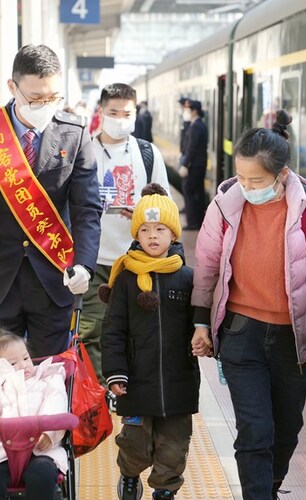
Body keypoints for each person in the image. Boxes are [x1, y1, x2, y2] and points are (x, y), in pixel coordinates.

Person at [190, 109, 306, 500]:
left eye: (256, 180)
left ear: (281, 175)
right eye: (241, 176)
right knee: (255, 430)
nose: (246, 186)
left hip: (292, 340)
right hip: (241, 333)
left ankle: (270, 486)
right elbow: (207, 265)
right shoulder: (226, 203)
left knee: (286, 429)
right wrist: (199, 322)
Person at [0, 44, 102, 358]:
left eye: (52, 98)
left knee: (51, 379)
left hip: (54, 279)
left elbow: (86, 208)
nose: (44, 106)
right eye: (35, 99)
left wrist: (85, 265)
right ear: (13, 87)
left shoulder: (74, 134)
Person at [100, 184, 199, 500]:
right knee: (136, 445)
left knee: (174, 447)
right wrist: (115, 373)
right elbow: (113, 330)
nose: (153, 236)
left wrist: (206, 339)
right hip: (135, 381)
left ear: (174, 235)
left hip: (178, 382)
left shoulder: (187, 278)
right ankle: (130, 475)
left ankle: (165, 490)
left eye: (160, 229)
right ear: (136, 235)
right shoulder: (126, 278)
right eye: (145, 230)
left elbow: (199, 325)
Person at [80, 83, 169, 385]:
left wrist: (144, 213)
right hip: (93, 260)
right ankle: (100, 397)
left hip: (136, 260)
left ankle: (132, 394)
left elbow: (164, 206)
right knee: (92, 331)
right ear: (101, 113)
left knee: (137, 330)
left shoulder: (147, 153)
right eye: (113, 112)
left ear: (135, 113)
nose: (120, 119)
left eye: (126, 113)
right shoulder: (84, 150)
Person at [0, 332, 68, 499]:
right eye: (13, 363)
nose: (24, 366)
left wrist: (50, 433)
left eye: (26, 358)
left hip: (38, 449)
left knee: (43, 474)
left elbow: (56, 404)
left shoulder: (48, 379)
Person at [179, 100, 208, 230]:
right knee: (197, 192)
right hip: (199, 164)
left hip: (194, 165)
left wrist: (185, 164)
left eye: (188, 110)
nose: (186, 112)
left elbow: (192, 148)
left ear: (194, 111)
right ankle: (199, 220)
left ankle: (193, 222)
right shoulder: (198, 124)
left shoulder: (196, 126)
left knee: (189, 190)